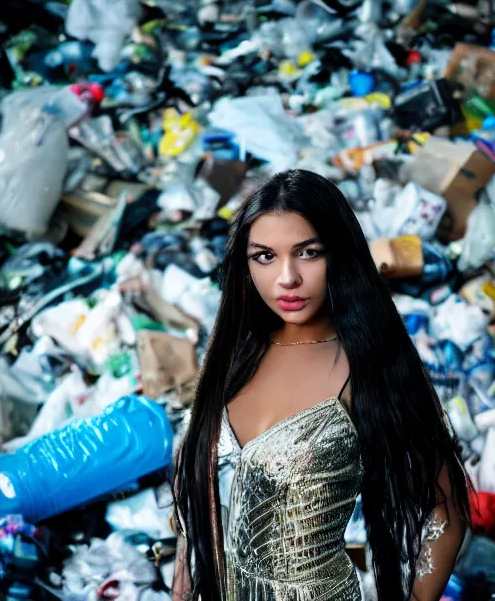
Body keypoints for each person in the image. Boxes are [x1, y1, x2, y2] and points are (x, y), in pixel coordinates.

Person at [171, 169, 474, 601]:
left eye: (307, 253)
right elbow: (193, 514)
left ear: (338, 254)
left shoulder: (369, 363)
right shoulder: (231, 359)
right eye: (264, 256)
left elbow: (446, 512)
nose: (287, 277)